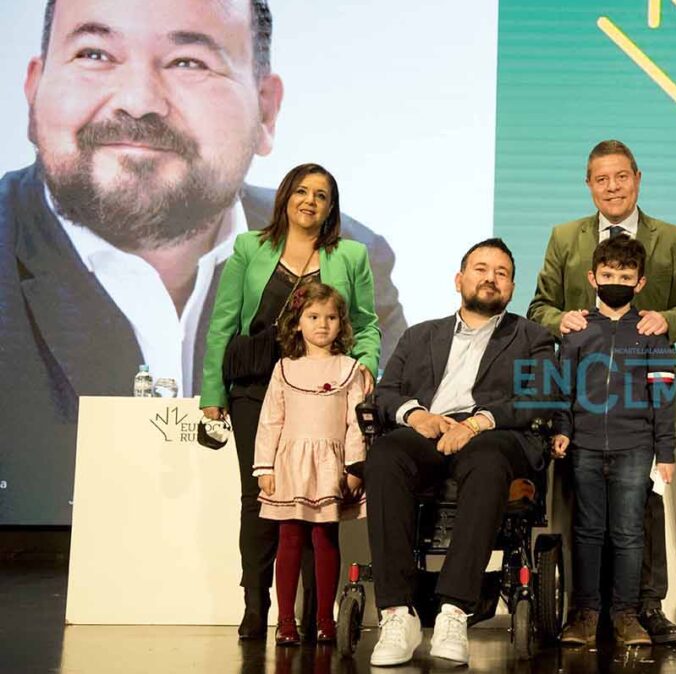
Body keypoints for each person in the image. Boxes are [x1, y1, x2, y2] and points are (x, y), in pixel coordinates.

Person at [0, 0, 405, 527]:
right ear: (33, 90)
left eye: (187, 62)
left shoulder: (356, 253)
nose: (138, 102)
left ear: (266, 110)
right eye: (95, 53)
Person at [199, 163, 382, 640]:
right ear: (285, 198)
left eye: (321, 195)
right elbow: (224, 323)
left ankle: (310, 617)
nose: (310, 201)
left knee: (314, 502)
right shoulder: (248, 247)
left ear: (330, 207)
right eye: (301, 191)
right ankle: (256, 606)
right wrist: (212, 394)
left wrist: (365, 365)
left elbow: (365, 324)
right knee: (259, 498)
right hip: (256, 386)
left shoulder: (352, 254)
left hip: (322, 391)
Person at [527, 139, 676, 643]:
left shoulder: (673, 237)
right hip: (583, 416)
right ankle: (587, 610)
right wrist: (565, 319)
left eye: (620, 176)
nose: (612, 187)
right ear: (589, 185)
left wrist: (666, 319)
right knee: (588, 520)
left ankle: (643, 609)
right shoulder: (564, 237)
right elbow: (539, 307)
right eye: (601, 179)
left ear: (637, 178)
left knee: (641, 517)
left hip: (643, 411)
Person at [367, 238, 555, 667]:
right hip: (430, 431)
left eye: (501, 273)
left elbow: (541, 395)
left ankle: (454, 609)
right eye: (481, 269)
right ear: (459, 279)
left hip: (494, 434)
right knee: (385, 456)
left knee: (488, 460)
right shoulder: (419, 336)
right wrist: (417, 416)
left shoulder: (532, 337)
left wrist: (478, 421)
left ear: (511, 288)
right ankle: (398, 612)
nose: (490, 278)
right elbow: (386, 393)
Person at [553, 236, 676, 648]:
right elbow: (562, 389)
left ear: (640, 283)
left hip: (635, 447)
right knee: (588, 531)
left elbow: (664, 396)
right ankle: (585, 614)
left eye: (625, 276)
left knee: (628, 533)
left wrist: (666, 450)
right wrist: (563, 429)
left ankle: (625, 614)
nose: (616, 282)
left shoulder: (651, 334)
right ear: (593, 277)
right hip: (585, 446)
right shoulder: (576, 332)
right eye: (608, 275)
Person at [252, 283, 367, 645]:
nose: (322, 325)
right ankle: (286, 622)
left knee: (325, 537)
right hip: (291, 465)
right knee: (289, 539)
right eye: (313, 317)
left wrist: (354, 467)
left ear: (342, 323)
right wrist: (264, 468)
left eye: (331, 317)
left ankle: (324, 619)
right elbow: (271, 420)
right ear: (297, 322)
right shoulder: (285, 368)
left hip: (330, 467)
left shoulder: (350, 370)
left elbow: (355, 423)